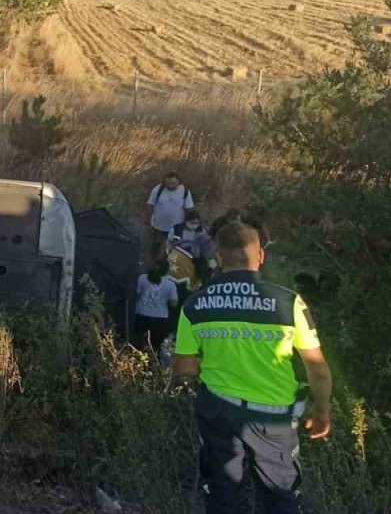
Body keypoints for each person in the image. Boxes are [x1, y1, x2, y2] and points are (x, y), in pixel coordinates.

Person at [172, 222, 333, 514]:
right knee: (281, 497)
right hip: (274, 417)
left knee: (222, 496)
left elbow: (184, 368)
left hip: (218, 413)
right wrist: (322, 411)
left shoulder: (195, 305)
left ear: (219, 258)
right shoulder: (289, 303)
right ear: (260, 256)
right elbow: (317, 368)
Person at [145, 171, 195, 259]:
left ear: (179, 182)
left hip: (176, 228)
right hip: (158, 227)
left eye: (173, 183)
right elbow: (149, 206)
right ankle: (155, 267)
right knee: (156, 249)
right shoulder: (158, 189)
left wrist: (188, 226)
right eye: (167, 183)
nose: (170, 186)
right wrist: (148, 223)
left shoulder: (185, 191)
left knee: (174, 250)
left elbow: (189, 209)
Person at [133, 260, 179, 353]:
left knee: (139, 344)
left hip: (141, 315)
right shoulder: (170, 284)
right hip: (160, 318)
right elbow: (174, 303)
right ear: (166, 270)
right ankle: (153, 364)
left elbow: (135, 295)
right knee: (155, 347)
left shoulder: (142, 279)